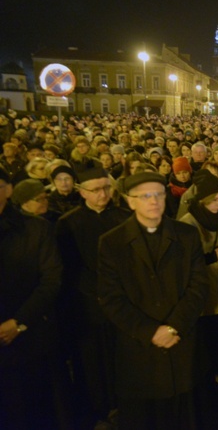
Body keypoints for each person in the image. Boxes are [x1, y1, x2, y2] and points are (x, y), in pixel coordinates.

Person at [97, 172, 212, 429]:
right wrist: (151, 331)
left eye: (159, 194)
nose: (154, 201)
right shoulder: (112, 242)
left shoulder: (187, 235)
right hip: (139, 348)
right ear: (130, 201)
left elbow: (198, 286)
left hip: (182, 343)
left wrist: (173, 327)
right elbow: (111, 298)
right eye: (145, 196)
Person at [55, 166, 131, 428]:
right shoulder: (68, 223)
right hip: (87, 304)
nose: (103, 194)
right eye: (96, 189)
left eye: (107, 188)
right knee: (92, 360)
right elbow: (67, 270)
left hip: (121, 300)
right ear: (82, 192)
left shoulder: (124, 217)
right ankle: (97, 406)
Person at [0, 166, 74, 429]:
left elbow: (51, 279)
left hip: (32, 336)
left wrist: (18, 322)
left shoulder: (35, 229)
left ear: (8, 190)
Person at [178, 172, 218, 379]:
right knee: (204, 333)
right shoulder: (188, 222)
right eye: (214, 201)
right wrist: (211, 256)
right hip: (202, 285)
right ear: (202, 201)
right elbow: (184, 262)